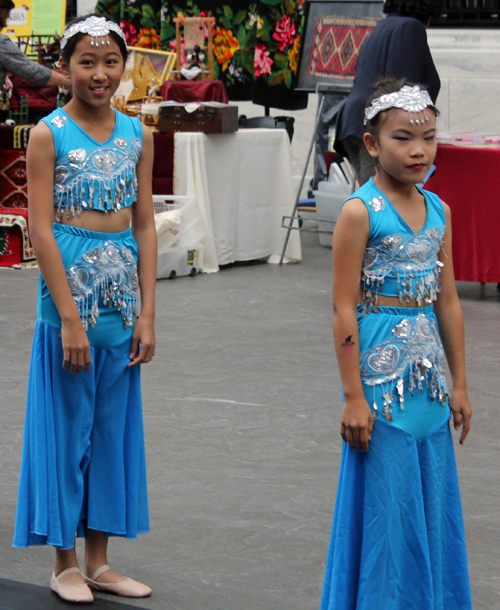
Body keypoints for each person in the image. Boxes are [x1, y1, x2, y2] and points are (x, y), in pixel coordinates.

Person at [12, 14, 157, 604]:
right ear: (65, 69)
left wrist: (149, 311)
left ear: (124, 67)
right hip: (68, 294)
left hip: (123, 293)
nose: (100, 74)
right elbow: (39, 228)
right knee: (67, 426)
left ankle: (100, 559)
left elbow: (145, 222)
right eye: (86, 63)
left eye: (110, 62)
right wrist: (68, 317)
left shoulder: (137, 133)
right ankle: (64, 561)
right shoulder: (49, 133)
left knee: (111, 428)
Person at [320, 78, 472, 610]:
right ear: (371, 144)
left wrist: (461, 385)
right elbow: (342, 306)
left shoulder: (440, 212)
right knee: (386, 513)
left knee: (431, 508)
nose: (418, 150)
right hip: (380, 388)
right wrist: (352, 396)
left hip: (428, 384)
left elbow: (447, 301)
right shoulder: (360, 212)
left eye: (428, 137)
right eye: (404, 137)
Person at [334, 0, 442, 185]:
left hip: (355, 122)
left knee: (372, 197)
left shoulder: (383, 26)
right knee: (381, 201)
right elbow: (403, 88)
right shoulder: (410, 27)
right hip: (376, 126)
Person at [0, 0, 69, 90]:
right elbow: (31, 71)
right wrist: (68, 81)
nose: (5, 24)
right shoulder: (2, 42)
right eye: (6, 17)